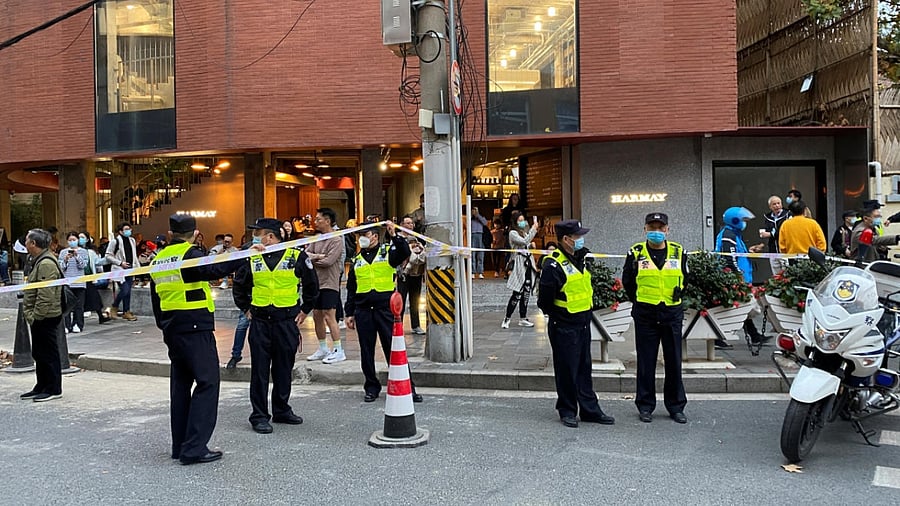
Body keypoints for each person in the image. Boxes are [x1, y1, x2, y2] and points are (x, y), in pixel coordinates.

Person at [150, 214, 258, 465]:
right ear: (196, 232)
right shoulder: (191, 255)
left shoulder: (160, 258)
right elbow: (216, 268)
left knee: (180, 387)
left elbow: (157, 299)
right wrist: (246, 253)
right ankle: (195, 448)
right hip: (195, 327)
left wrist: (165, 325)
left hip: (173, 328)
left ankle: (180, 446)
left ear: (170, 232)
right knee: (208, 383)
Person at [232, 218, 319, 434]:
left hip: (286, 322)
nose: (255, 236)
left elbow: (311, 285)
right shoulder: (251, 257)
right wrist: (245, 308)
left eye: (258, 232)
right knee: (259, 371)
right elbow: (239, 285)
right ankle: (259, 416)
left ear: (270, 236)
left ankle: (281, 409)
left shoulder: (296, 256)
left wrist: (304, 310)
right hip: (260, 322)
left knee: (283, 368)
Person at [537, 220, 615, 428]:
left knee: (583, 369)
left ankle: (590, 410)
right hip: (564, 324)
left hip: (582, 323)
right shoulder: (553, 264)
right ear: (566, 239)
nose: (581, 239)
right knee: (566, 370)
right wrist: (560, 317)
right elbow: (544, 300)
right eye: (577, 236)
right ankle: (567, 410)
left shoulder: (580, 258)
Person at [344, 220, 422, 403]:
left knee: (394, 349)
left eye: (365, 235)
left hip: (385, 309)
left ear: (375, 237)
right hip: (363, 311)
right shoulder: (357, 260)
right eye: (359, 236)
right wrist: (349, 313)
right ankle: (371, 387)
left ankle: (408, 387)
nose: (361, 239)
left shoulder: (387, 252)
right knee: (366, 351)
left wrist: (394, 235)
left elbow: (404, 252)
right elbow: (351, 288)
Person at [622, 213, 688, 424]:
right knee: (646, 362)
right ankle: (645, 406)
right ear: (645, 229)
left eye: (661, 228)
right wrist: (641, 301)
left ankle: (676, 406)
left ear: (667, 230)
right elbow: (628, 283)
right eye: (652, 227)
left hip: (671, 313)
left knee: (674, 362)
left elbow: (686, 280)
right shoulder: (636, 253)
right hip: (646, 314)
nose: (656, 232)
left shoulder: (679, 252)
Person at [20, 229, 64, 402]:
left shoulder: (46, 263)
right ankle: (42, 385)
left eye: (27, 240)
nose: (25, 244)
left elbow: (46, 293)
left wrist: (35, 315)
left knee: (48, 353)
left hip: (45, 316)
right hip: (40, 316)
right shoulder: (38, 260)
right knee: (39, 352)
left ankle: (53, 388)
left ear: (34, 244)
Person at [715, 207, 768, 348]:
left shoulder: (733, 234)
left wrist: (749, 250)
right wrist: (738, 275)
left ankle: (754, 336)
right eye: (743, 220)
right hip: (734, 278)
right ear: (735, 220)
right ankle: (716, 337)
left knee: (742, 308)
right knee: (735, 308)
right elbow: (729, 259)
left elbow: (735, 253)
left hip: (738, 278)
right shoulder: (729, 235)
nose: (745, 223)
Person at [305, 208, 346, 364]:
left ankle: (338, 349)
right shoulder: (316, 238)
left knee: (330, 315)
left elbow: (329, 261)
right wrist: (318, 256)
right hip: (316, 282)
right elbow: (305, 256)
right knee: (317, 315)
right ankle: (322, 347)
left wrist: (314, 258)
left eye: (318, 219)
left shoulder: (336, 239)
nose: (315, 222)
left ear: (328, 221)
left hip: (330, 282)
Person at [502, 211, 538, 329]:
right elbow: (524, 242)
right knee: (517, 292)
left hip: (528, 264)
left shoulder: (524, 232)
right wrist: (533, 230)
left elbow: (526, 243)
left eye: (523, 220)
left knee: (526, 292)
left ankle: (523, 317)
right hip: (519, 264)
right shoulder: (512, 233)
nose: (522, 222)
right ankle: (507, 318)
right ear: (515, 221)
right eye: (520, 220)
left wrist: (531, 244)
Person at [398, 216, 426, 335]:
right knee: (401, 300)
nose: (410, 225)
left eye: (411, 223)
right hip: (403, 273)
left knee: (415, 300)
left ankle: (416, 325)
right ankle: (398, 325)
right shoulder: (398, 238)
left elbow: (422, 251)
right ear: (402, 225)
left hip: (416, 273)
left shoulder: (416, 238)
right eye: (407, 223)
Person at [105, 221, 139, 321]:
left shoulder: (132, 240)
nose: (129, 231)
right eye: (126, 229)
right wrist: (120, 263)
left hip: (130, 268)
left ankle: (126, 311)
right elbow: (108, 255)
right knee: (125, 289)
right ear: (120, 231)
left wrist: (138, 268)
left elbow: (134, 255)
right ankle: (114, 306)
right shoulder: (115, 241)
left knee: (128, 291)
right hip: (120, 270)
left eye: (129, 229)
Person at [58, 231, 88, 334]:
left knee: (79, 306)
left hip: (79, 283)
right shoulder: (63, 252)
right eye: (70, 240)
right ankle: (66, 325)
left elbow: (83, 265)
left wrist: (76, 256)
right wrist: (65, 260)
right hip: (67, 282)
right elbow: (61, 267)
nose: (72, 242)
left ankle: (77, 324)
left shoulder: (83, 251)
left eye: (74, 240)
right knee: (66, 305)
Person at [79, 232, 111, 325]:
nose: (80, 239)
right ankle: (78, 321)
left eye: (82, 237)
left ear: (87, 239)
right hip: (78, 279)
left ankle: (101, 316)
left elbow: (97, 262)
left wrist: (109, 258)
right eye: (79, 237)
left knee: (95, 297)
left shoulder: (91, 252)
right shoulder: (73, 251)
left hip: (89, 277)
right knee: (80, 300)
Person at [760, 195, 788, 273]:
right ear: (770, 206)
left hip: (785, 250)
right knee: (776, 274)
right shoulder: (767, 217)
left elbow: (785, 231)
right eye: (774, 204)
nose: (777, 206)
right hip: (773, 249)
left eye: (778, 203)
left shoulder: (788, 215)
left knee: (787, 274)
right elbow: (765, 230)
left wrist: (771, 234)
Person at [470, 206, 488, 279]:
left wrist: (477, 215)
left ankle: (480, 272)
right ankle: (472, 272)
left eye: (476, 210)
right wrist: (472, 215)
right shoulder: (470, 219)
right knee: (472, 255)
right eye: (473, 210)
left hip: (480, 235)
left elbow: (485, 223)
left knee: (480, 255)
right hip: (472, 235)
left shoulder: (481, 217)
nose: (474, 211)